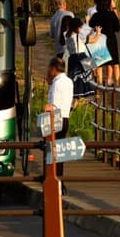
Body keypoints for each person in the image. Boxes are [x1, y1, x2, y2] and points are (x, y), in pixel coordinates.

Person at [45, 57, 73, 191]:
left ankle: (53, 181)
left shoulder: (57, 84)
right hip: (66, 117)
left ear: (53, 68)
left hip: (55, 118)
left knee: (52, 151)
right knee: (60, 153)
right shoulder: (68, 81)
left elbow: (53, 105)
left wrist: (47, 109)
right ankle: (60, 181)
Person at [88, 0, 120, 86]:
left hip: (100, 41)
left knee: (100, 64)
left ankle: (99, 84)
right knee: (115, 63)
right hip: (111, 40)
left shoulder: (96, 15)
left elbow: (90, 25)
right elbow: (118, 28)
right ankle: (117, 84)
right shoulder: (112, 14)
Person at [63, 17, 100, 97]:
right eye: (80, 27)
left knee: (76, 80)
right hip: (81, 57)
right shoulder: (79, 36)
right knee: (94, 71)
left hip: (72, 59)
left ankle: (76, 100)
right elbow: (93, 40)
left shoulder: (67, 35)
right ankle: (96, 92)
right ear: (77, 27)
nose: (81, 28)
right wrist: (98, 33)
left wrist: (90, 32)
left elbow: (83, 40)